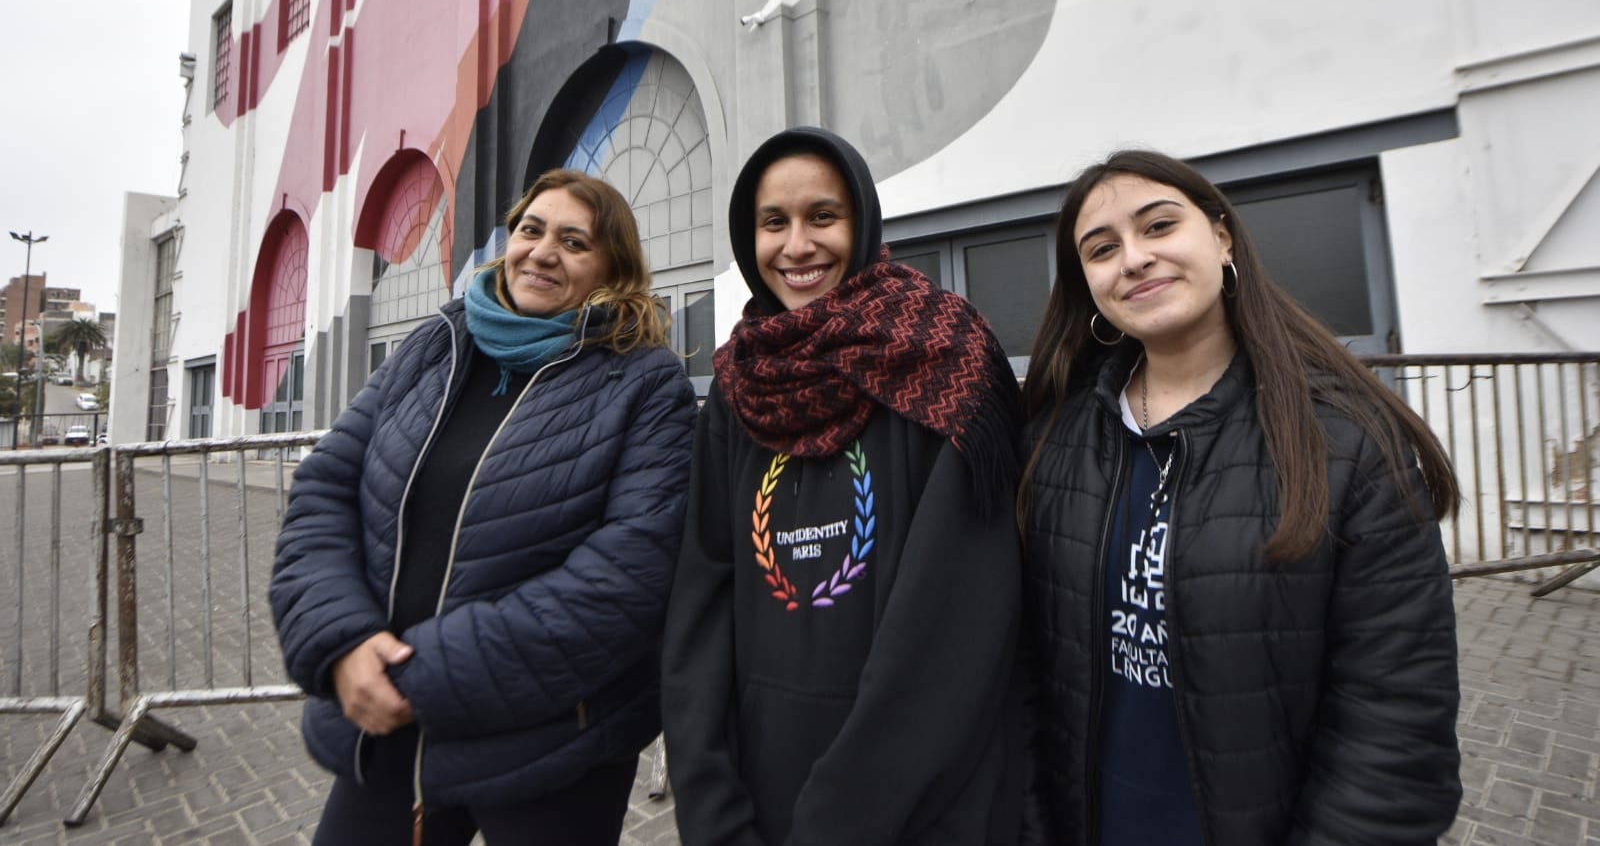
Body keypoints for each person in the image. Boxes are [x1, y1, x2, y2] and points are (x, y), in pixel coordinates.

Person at [1019, 149, 1462, 845]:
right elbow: (1025, 677)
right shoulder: (1053, 436)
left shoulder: (1345, 441)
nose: (1133, 258)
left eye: (1158, 226)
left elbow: (1397, 717)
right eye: (1101, 248)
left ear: (1221, 236)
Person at [269, 169, 697, 845]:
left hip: (550, 745)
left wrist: (419, 673)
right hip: (389, 725)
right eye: (531, 228)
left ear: (613, 268)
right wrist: (341, 642)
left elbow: (628, 576)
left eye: (574, 240)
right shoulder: (435, 345)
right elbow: (325, 490)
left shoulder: (644, 382)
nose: (543, 250)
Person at [662, 127, 1028, 845]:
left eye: (822, 216)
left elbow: (952, 632)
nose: (797, 246)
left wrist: (839, 820)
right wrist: (712, 809)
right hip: (758, 804)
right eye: (775, 222)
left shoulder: (946, 358)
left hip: (921, 807)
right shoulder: (740, 383)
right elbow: (700, 604)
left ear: (862, 223)